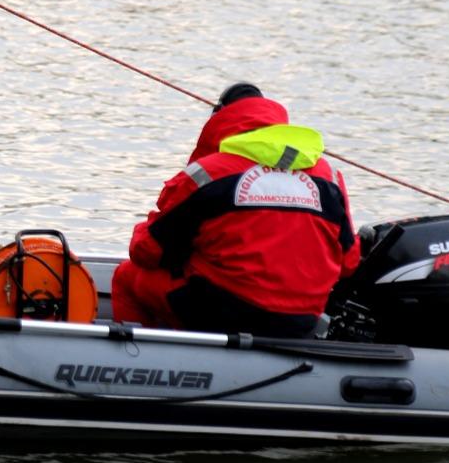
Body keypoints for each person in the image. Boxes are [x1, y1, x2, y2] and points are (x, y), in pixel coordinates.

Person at [111, 83, 360, 338]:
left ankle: (150, 364)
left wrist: (144, 230)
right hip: (302, 320)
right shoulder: (329, 177)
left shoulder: (207, 175)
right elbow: (349, 262)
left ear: (220, 120)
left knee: (125, 276)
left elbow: (146, 251)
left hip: (225, 314)